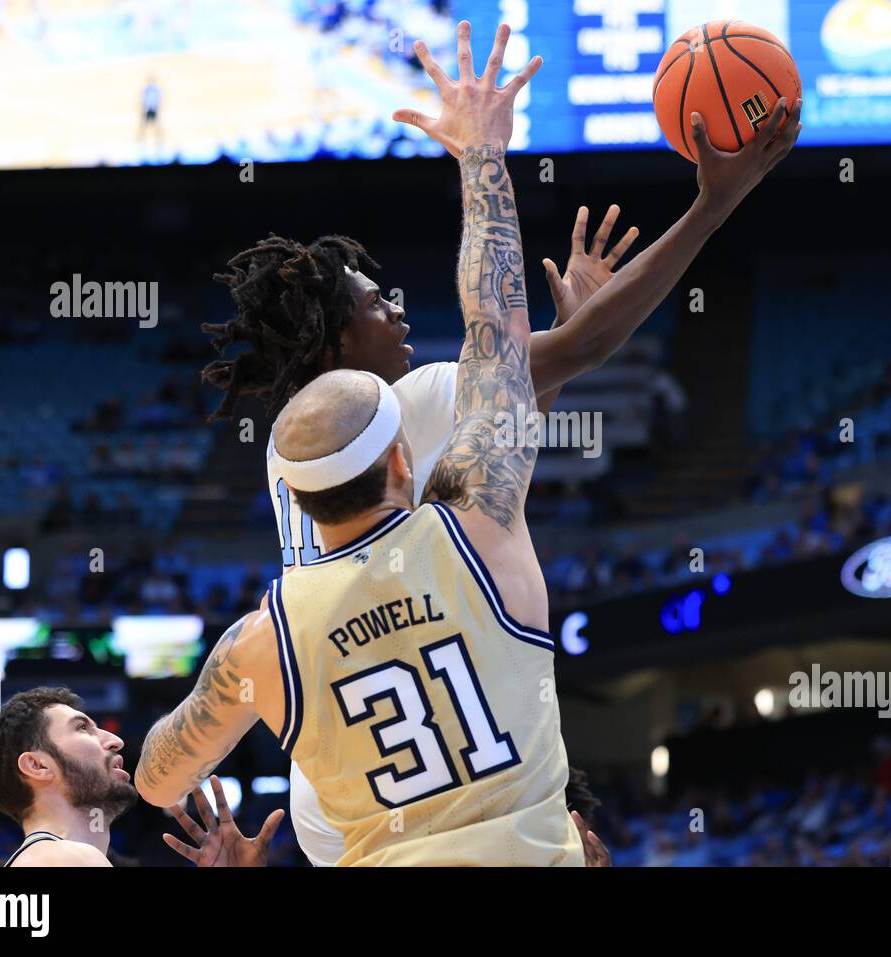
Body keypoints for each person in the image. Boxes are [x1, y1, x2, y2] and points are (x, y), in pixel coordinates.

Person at [197, 20, 798, 865]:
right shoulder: (402, 404)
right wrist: (713, 205)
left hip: (341, 772)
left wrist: (567, 330)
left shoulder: (300, 443)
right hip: (436, 748)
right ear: (335, 345)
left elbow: (507, 413)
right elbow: (564, 360)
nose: (399, 312)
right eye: (378, 303)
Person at [136, 22, 581, 864]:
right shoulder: (479, 521)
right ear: (406, 460)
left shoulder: (260, 639)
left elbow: (157, 778)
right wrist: (481, 156)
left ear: (295, 494)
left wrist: (229, 694)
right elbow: (497, 333)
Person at [0, 687, 137, 867]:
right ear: (37, 766)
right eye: (82, 728)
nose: (116, 741)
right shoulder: (68, 858)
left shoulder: (46, 858)